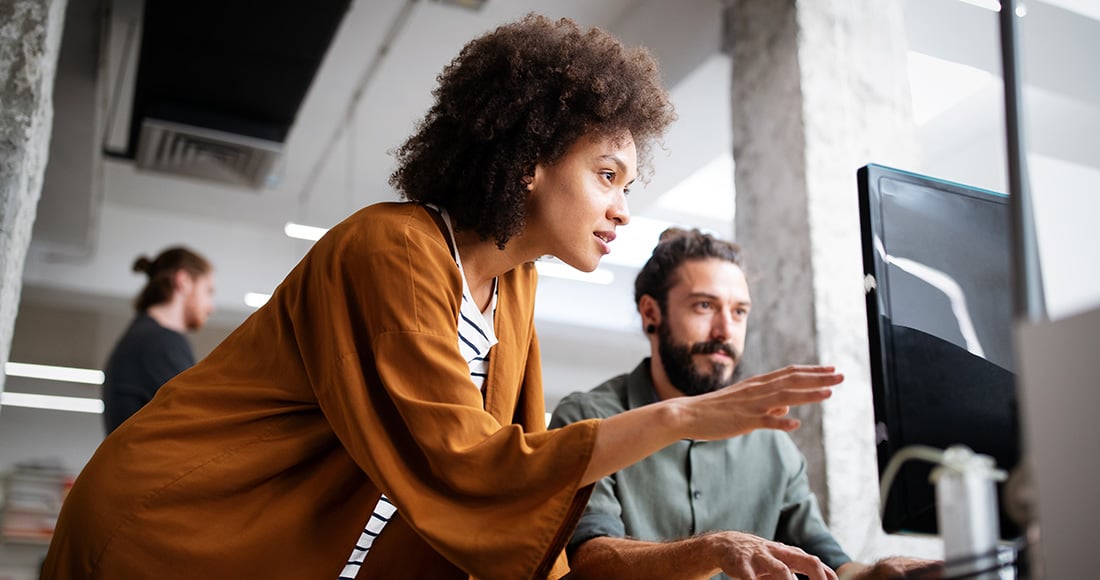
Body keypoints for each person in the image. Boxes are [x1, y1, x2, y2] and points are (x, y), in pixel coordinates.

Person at [42, 15, 842, 580]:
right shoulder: (390, 248)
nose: (623, 209)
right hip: (174, 535)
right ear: (530, 158)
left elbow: (518, 474)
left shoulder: (513, 287)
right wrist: (684, 417)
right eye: (607, 175)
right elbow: (468, 463)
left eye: (627, 185)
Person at [551, 228, 941, 580]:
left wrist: (877, 573)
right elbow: (590, 561)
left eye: (739, 312)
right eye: (704, 306)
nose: (725, 331)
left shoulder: (772, 442)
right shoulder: (588, 418)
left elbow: (826, 558)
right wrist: (711, 549)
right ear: (651, 313)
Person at [101, 246, 215, 434]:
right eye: (208, 291)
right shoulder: (160, 341)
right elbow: (196, 422)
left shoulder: (145, 336)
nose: (211, 307)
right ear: (184, 281)